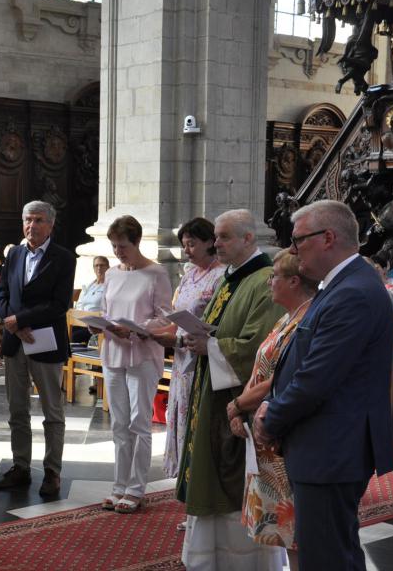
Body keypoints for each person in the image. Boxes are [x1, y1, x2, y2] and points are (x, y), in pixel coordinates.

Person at [254, 200, 393, 571]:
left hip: (332, 447)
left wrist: (272, 419)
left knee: (326, 557)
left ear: (328, 237)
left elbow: (317, 378)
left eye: (299, 239)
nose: (293, 249)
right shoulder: (342, 286)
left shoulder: (352, 292)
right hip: (328, 444)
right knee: (334, 551)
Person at [175, 209, 283, 570]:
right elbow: (226, 327)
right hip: (213, 390)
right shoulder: (233, 277)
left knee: (231, 476)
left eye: (223, 237)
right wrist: (205, 334)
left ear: (248, 239)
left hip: (238, 401)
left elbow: (260, 347)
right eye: (216, 237)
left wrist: (214, 346)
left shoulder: (264, 280)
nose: (215, 243)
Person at [229, 250, 316, 569]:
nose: (269, 281)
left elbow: (281, 378)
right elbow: (260, 370)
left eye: (275, 275)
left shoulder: (306, 321)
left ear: (294, 281)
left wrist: (237, 404)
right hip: (262, 428)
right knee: (281, 527)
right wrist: (241, 410)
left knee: (292, 525)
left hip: (281, 431)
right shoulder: (287, 316)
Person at [0, 201, 75, 498]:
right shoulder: (13, 253)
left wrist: (22, 319)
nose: (32, 225)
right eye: (28, 219)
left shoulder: (63, 258)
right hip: (15, 343)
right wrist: (11, 323)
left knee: (52, 412)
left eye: (39, 220)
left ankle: (52, 471)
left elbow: (59, 303)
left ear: (51, 225)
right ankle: (20, 466)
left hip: (46, 343)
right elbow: (0, 295)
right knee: (17, 410)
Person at [91, 216, 172, 513]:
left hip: (142, 353)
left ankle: (136, 489)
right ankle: (118, 487)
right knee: (119, 424)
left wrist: (137, 328)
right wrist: (97, 325)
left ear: (136, 242)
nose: (117, 252)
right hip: (113, 352)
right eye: (113, 246)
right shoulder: (112, 274)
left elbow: (166, 316)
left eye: (122, 246)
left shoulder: (156, 273)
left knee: (139, 423)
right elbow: (105, 310)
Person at [153, 217, 224, 480]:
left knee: (195, 426)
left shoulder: (220, 277)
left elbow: (218, 323)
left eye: (192, 244)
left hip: (202, 359)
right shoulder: (190, 274)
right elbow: (176, 315)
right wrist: (155, 333)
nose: (186, 251)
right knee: (180, 421)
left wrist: (180, 339)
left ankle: (197, 491)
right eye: (184, 245)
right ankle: (185, 489)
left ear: (210, 242)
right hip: (182, 360)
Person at [71, 256, 110, 344]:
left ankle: (78, 356)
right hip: (82, 320)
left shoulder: (109, 286)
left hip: (96, 324)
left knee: (76, 336)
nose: (99, 268)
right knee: (65, 330)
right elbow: (80, 304)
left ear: (108, 267)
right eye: (96, 266)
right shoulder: (90, 285)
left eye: (102, 265)